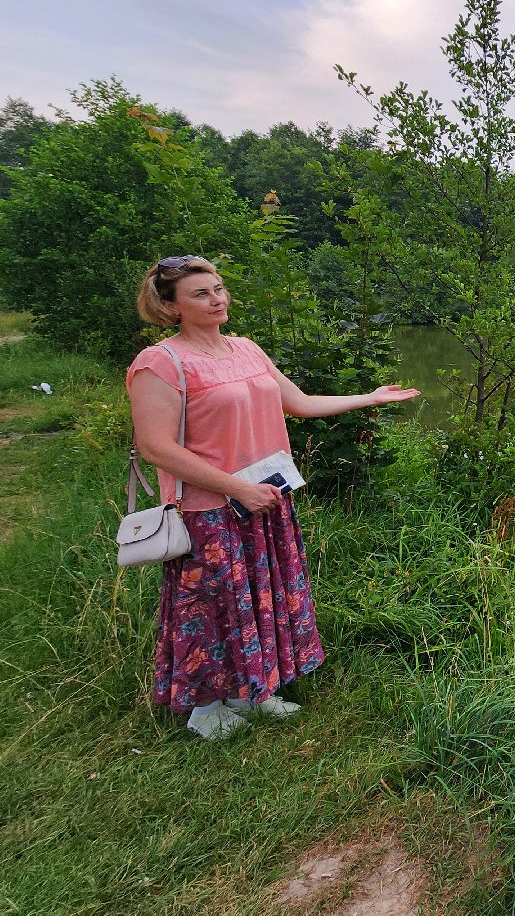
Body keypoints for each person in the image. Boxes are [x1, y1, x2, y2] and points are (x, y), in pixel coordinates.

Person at [126, 255, 419, 739]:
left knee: (259, 598)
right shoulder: (161, 363)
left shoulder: (246, 349)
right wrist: (235, 486)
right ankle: (206, 706)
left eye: (218, 288)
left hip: (264, 497)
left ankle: (251, 692)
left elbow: (299, 403)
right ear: (169, 305)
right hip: (211, 507)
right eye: (200, 293)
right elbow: (157, 446)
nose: (217, 298)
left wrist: (370, 398)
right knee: (214, 602)